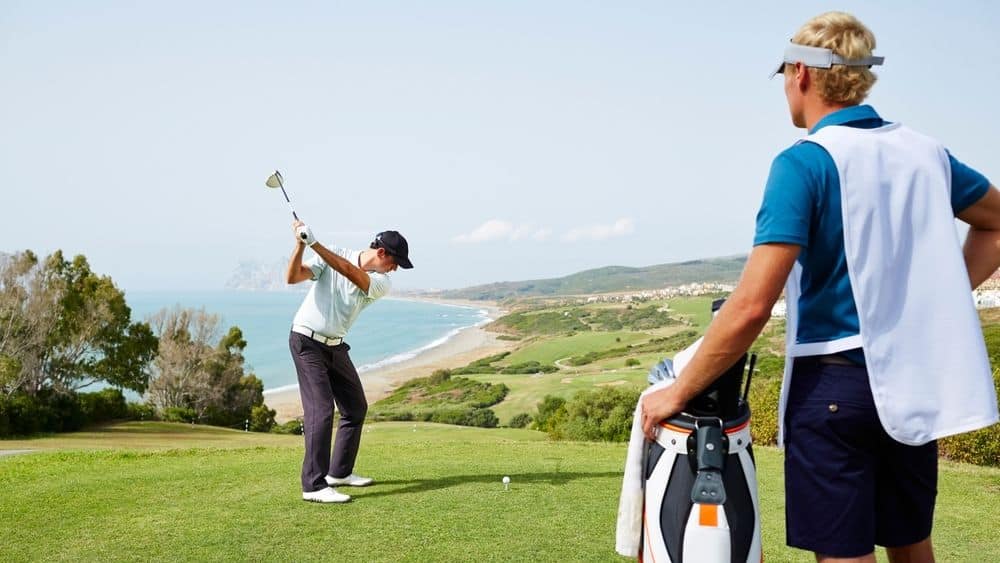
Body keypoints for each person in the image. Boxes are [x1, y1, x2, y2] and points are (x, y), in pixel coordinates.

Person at [640, 11, 1000, 562]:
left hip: (832, 389)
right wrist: (940, 297)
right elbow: (995, 220)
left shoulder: (803, 164)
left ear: (801, 74)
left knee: (844, 554)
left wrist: (678, 389)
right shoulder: (926, 153)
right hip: (910, 379)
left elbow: (752, 305)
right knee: (910, 544)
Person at [286, 220, 413, 503]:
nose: (395, 269)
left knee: (355, 407)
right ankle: (314, 486)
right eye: (395, 262)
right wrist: (299, 246)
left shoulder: (381, 282)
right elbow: (292, 277)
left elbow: (348, 271)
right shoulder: (334, 253)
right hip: (306, 342)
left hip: (335, 346)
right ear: (381, 253)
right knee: (320, 410)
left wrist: (315, 244)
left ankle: (339, 472)